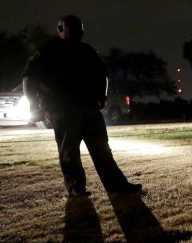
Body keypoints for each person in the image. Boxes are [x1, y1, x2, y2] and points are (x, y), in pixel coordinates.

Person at [22, 15, 142, 197]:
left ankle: (116, 185)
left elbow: (103, 75)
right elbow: (29, 80)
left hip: (89, 108)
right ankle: (76, 186)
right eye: (74, 28)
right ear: (60, 28)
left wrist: (102, 95)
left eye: (81, 29)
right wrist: (35, 107)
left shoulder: (87, 50)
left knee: (102, 149)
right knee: (69, 151)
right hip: (61, 109)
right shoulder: (47, 51)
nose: (79, 32)